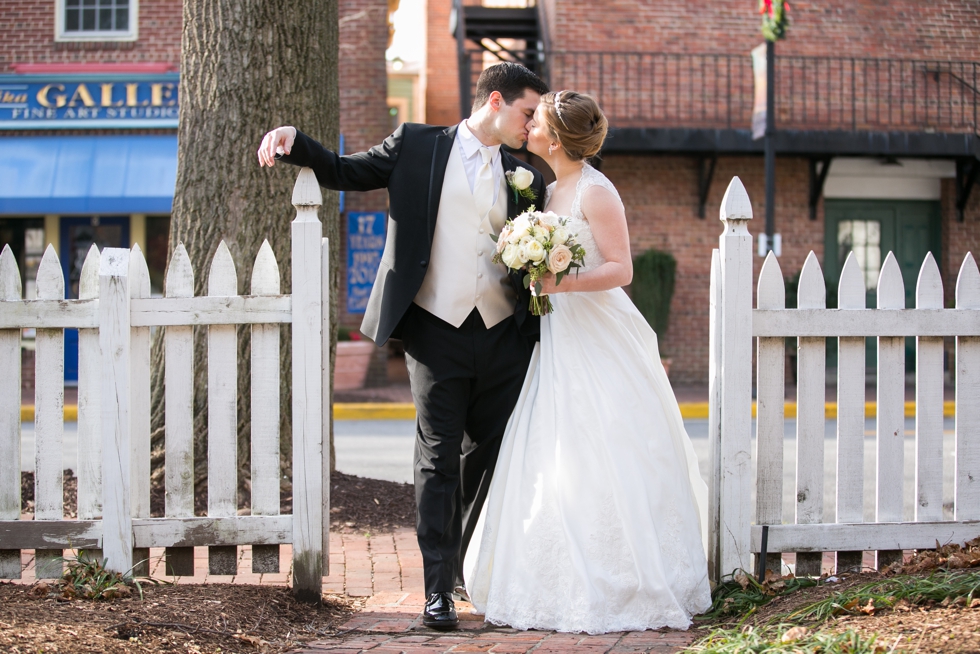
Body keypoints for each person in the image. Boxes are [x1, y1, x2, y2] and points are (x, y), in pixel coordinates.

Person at [257, 63, 549, 631]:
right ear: (495, 100)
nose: (531, 125)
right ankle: (437, 590)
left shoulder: (525, 175)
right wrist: (297, 143)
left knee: (484, 458)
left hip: (502, 335)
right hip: (434, 329)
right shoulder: (418, 144)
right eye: (527, 113)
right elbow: (349, 170)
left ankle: (465, 564)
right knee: (437, 457)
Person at [462, 91, 713, 634]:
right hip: (557, 331)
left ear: (553, 140)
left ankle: (626, 576)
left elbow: (621, 268)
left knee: (608, 440)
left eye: (538, 123)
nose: (527, 128)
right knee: (554, 443)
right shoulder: (550, 189)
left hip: (596, 328)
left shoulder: (597, 192)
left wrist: (562, 282)